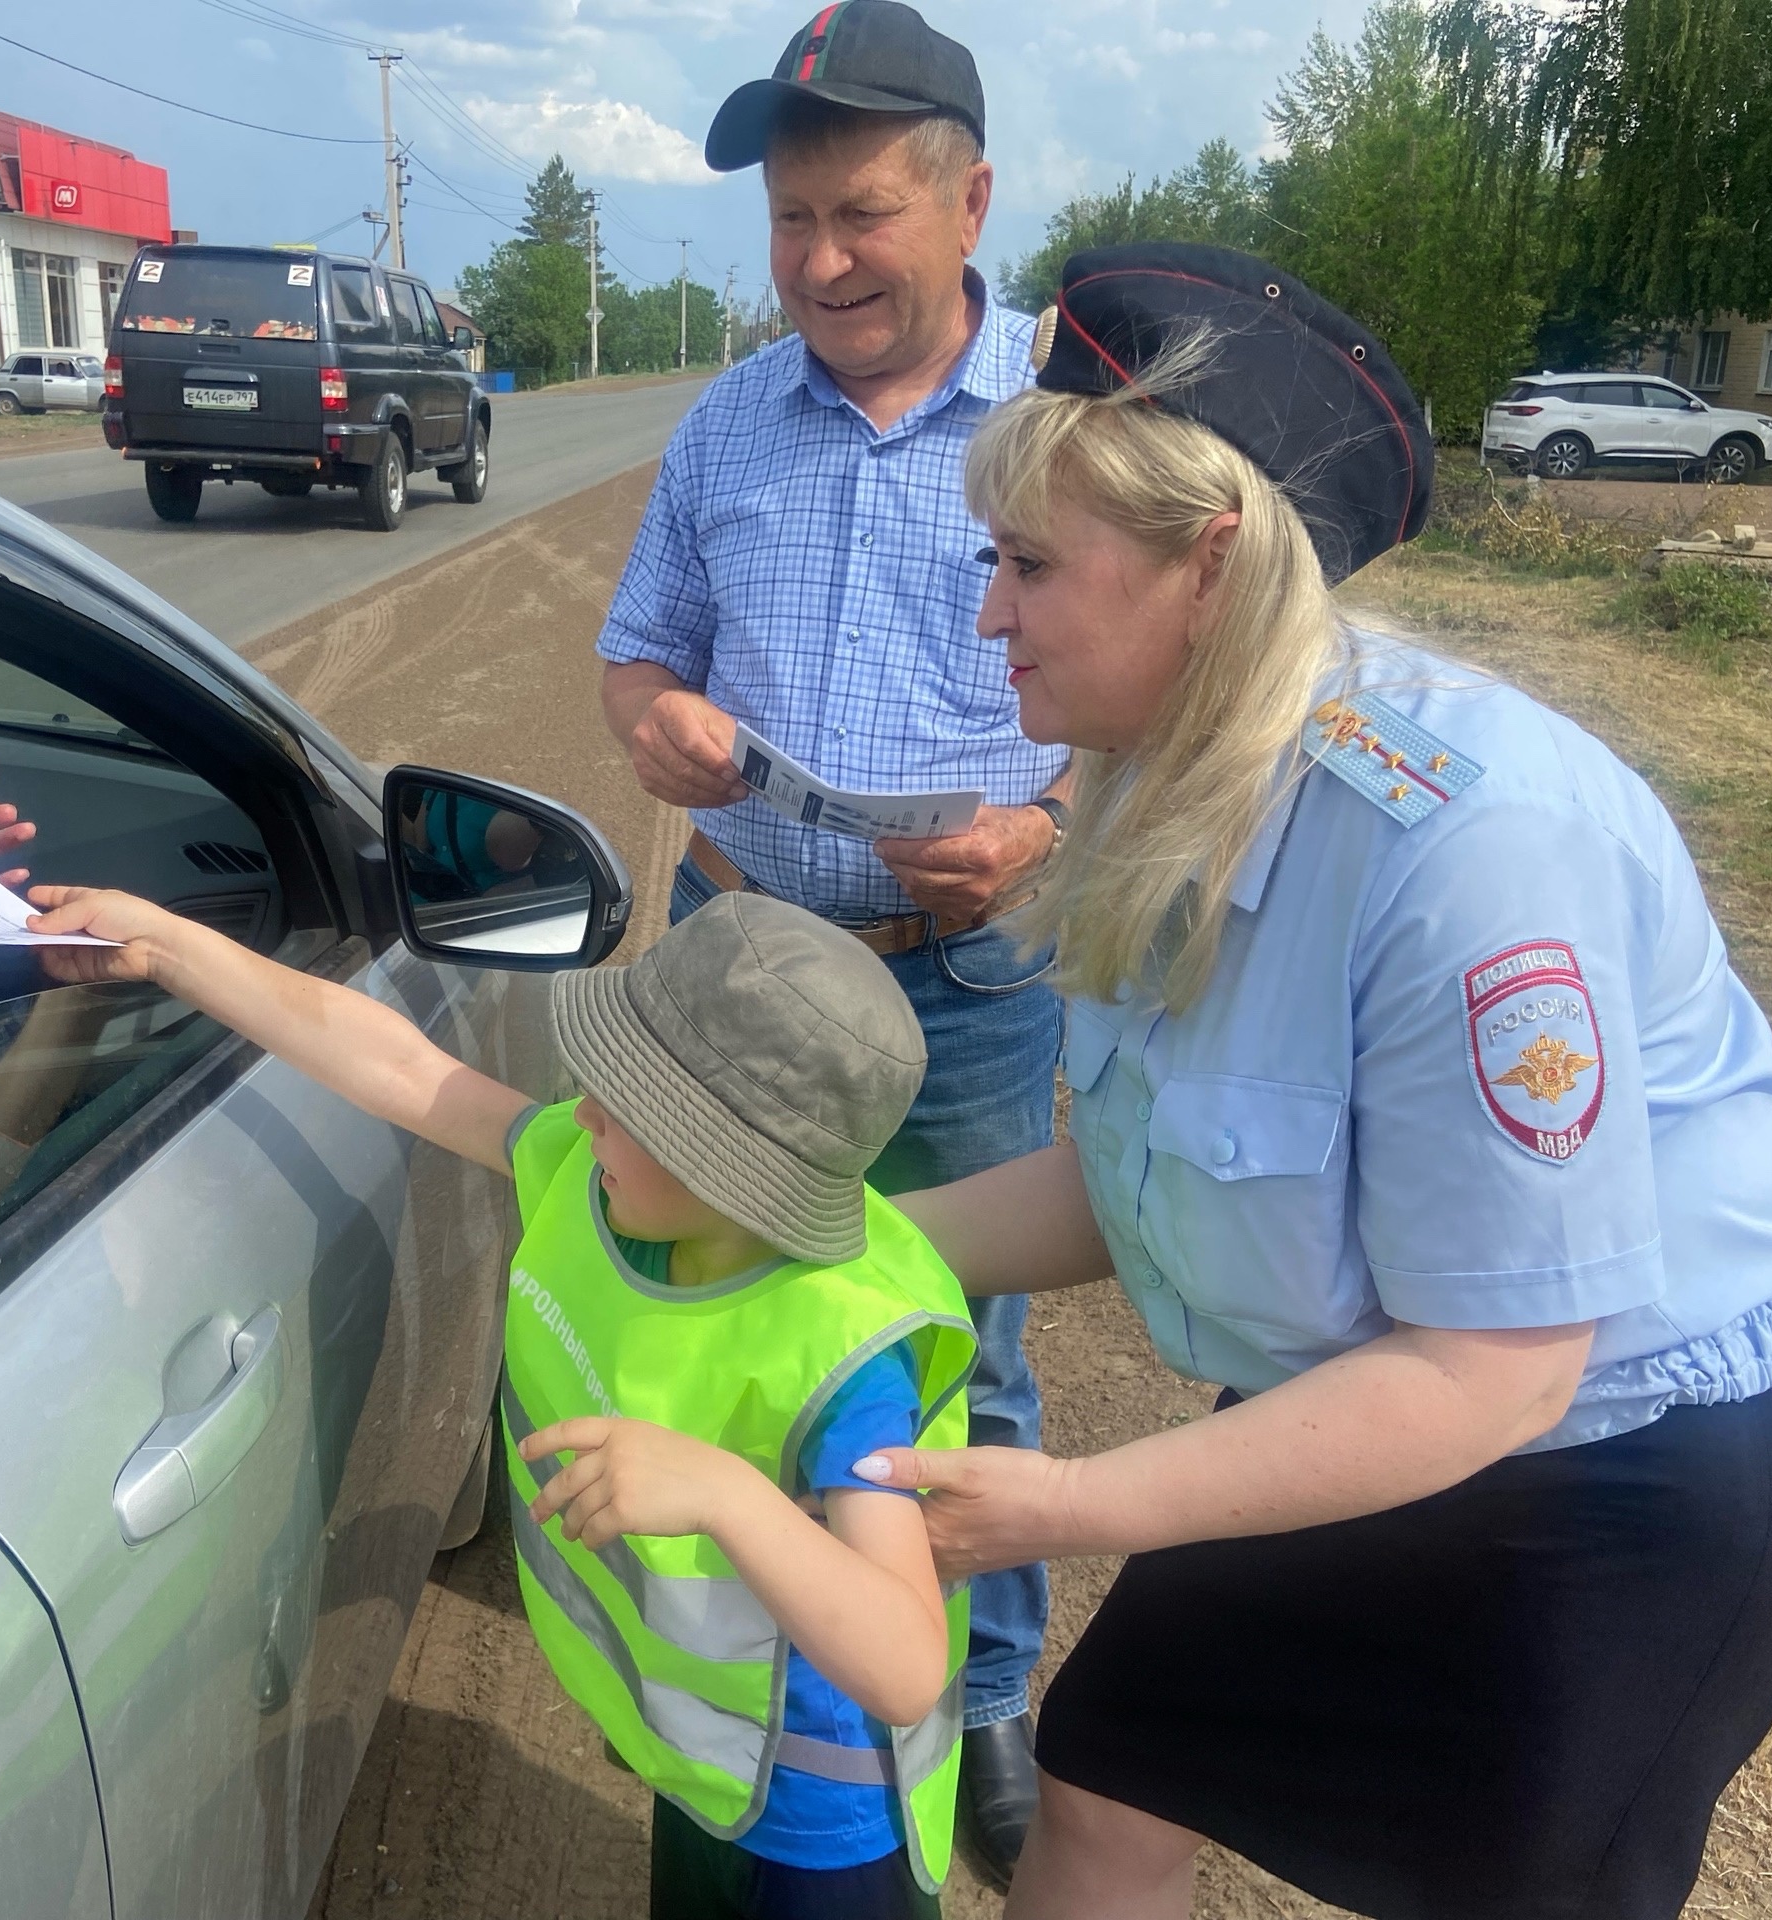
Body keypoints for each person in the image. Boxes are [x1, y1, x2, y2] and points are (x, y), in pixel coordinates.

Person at [850, 245, 1772, 1920]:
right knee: (1105, 1787)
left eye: (1029, 564)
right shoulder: (1157, 775)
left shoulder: (1464, 846)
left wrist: (1073, 1505)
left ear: (1213, 560)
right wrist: (854, 1244)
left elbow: (1502, 1369)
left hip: (1641, 1472)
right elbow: (1140, 1166)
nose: (989, 614)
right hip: (1377, 1392)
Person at [22, 881, 980, 1919]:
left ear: (737, 1173)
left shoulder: (849, 1358)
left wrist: (725, 1495)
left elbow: (902, 1665)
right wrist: (170, 948)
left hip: (818, 1817)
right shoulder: (587, 1165)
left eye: (634, 1107)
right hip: (705, 1752)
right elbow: (398, 1065)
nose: (590, 1105)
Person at [599, 5, 1060, 1864]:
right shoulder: (726, 419)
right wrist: (652, 718)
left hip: (971, 980)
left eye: (859, 213)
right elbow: (639, 651)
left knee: (962, 1345)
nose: (819, 262)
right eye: (790, 222)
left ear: (970, 203)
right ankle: (753, 1644)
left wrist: (1045, 823)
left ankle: (983, 1694)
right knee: (735, 1315)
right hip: (737, 974)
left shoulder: (1072, 424)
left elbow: (1185, 697)